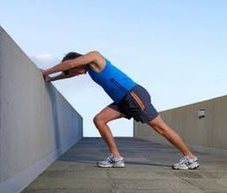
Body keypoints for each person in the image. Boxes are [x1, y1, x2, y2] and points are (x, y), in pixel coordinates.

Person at [40, 51, 199, 170]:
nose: (75, 74)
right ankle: (116, 158)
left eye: (73, 69)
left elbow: (71, 65)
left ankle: (190, 158)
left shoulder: (95, 57)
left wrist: (46, 71)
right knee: (99, 120)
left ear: (76, 61)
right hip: (122, 101)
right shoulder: (88, 69)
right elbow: (70, 72)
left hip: (133, 95)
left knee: (160, 128)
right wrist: (52, 79)